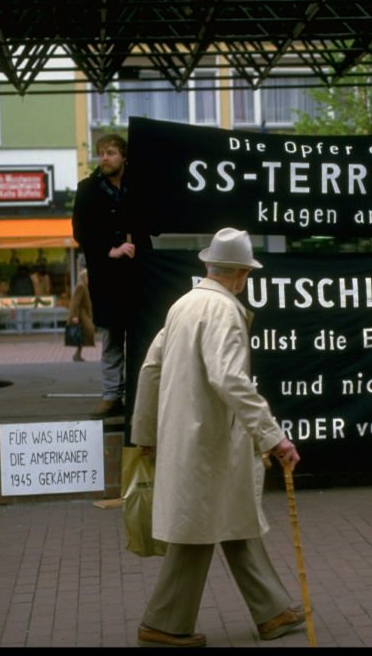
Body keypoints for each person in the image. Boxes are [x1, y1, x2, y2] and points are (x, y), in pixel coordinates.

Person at [130, 227, 305, 648]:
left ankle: (272, 611)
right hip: (210, 441)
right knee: (201, 526)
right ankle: (164, 624)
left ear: (210, 266)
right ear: (242, 274)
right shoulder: (224, 312)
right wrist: (272, 436)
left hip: (188, 439)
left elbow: (150, 368)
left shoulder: (183, 305)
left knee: (228, 516)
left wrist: (146, 433)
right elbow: (230, 378)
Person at [72, 133, 151, 419]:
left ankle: (139, 397)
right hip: (108, 277)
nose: (104, 157)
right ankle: (111, 396)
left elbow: (153, 224)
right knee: (113, 338)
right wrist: (110, 249)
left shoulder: (139, 187)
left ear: (124, 157)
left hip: (140, 275)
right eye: (101, 153)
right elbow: (80, 232)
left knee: (141, 338)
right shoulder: (87, 189)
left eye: (110, 152)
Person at [67, 268, 95, 362]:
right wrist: (74, 316)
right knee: (85, 332)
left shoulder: (84, 286)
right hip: (81, 314)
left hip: (84, 314)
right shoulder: (81, 286)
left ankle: (77, 354)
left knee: (82, 334)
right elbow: (75, 302)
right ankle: (77, 354)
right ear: (84, 277)